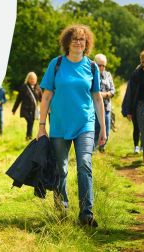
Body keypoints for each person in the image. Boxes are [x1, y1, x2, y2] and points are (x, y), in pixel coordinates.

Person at [36, 23, 106, 227]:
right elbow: (46, 96)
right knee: (61, 168)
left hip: (85, 123)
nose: (78, 42)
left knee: (84, 164)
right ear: (67, 42)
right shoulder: (56, 64)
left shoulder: (92, 67)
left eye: (82, 39)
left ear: (87, 43)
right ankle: (62, 209)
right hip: (59, 123)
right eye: (74, 38)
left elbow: (97, 98)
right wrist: (41, 126)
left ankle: (86, 213)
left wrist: (102, 127)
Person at [93, 54, 115, 152]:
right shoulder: (91, 75)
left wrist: (104, 95)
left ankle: (102, 147)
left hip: (106, 107)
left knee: (106, 130)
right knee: (94, 129)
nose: (101, 67)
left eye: (103, 65)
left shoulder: (108, 75)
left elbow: (113, 91)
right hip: (93, 107)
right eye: (99, 65)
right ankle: (93, 149)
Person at [13, 72, 42, 140]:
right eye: (31, 79)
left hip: (34, 110)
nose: (32, 81)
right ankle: (29, 137)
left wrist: (48, 106)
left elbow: (42, 99)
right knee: (30, 122)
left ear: (36, 79)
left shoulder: (38, 88)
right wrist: (14, 109)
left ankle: (28, 137)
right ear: (28, 79)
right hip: (25, 109)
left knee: (31, 123)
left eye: (33, 79)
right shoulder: (24, 87)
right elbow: (18, 99)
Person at [121, 81, 141, 154]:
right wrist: (128, 111)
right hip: (134, 108)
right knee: (136, 127)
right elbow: (128, 96)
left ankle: (143, 146)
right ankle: (136, 146)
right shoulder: (132, 82)